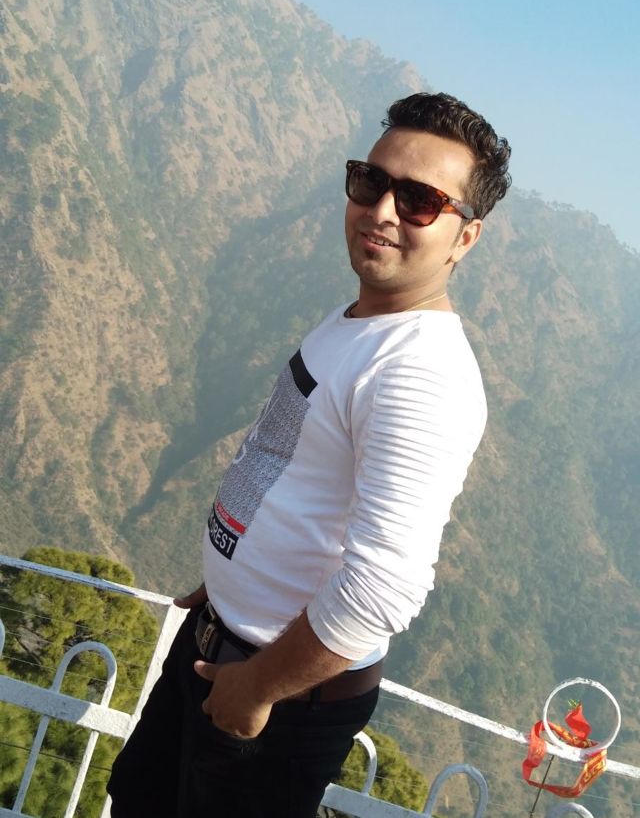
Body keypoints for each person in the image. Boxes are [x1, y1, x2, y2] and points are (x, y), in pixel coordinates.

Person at [107, 92, 511, 818]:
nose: (381, 210)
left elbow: (384, 588)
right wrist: (232, 582)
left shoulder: (422, 374)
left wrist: (257, 685)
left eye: (419, 201)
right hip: (222, 642)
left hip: (274, 699)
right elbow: (296, 467)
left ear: (465, 236)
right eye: (370, 181)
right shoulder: (359, 319)